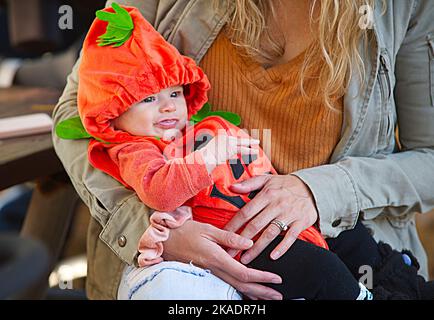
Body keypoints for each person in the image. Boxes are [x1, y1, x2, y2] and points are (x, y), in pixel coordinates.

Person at [52, 0, 434, 300]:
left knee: (338, 270)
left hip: (339, 248)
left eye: (173, 94)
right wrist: (151, 230)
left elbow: (428, 158)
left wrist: (322, 192)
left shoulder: (402, 6)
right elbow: (76, 113)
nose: (168, 104)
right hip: (188, 263)